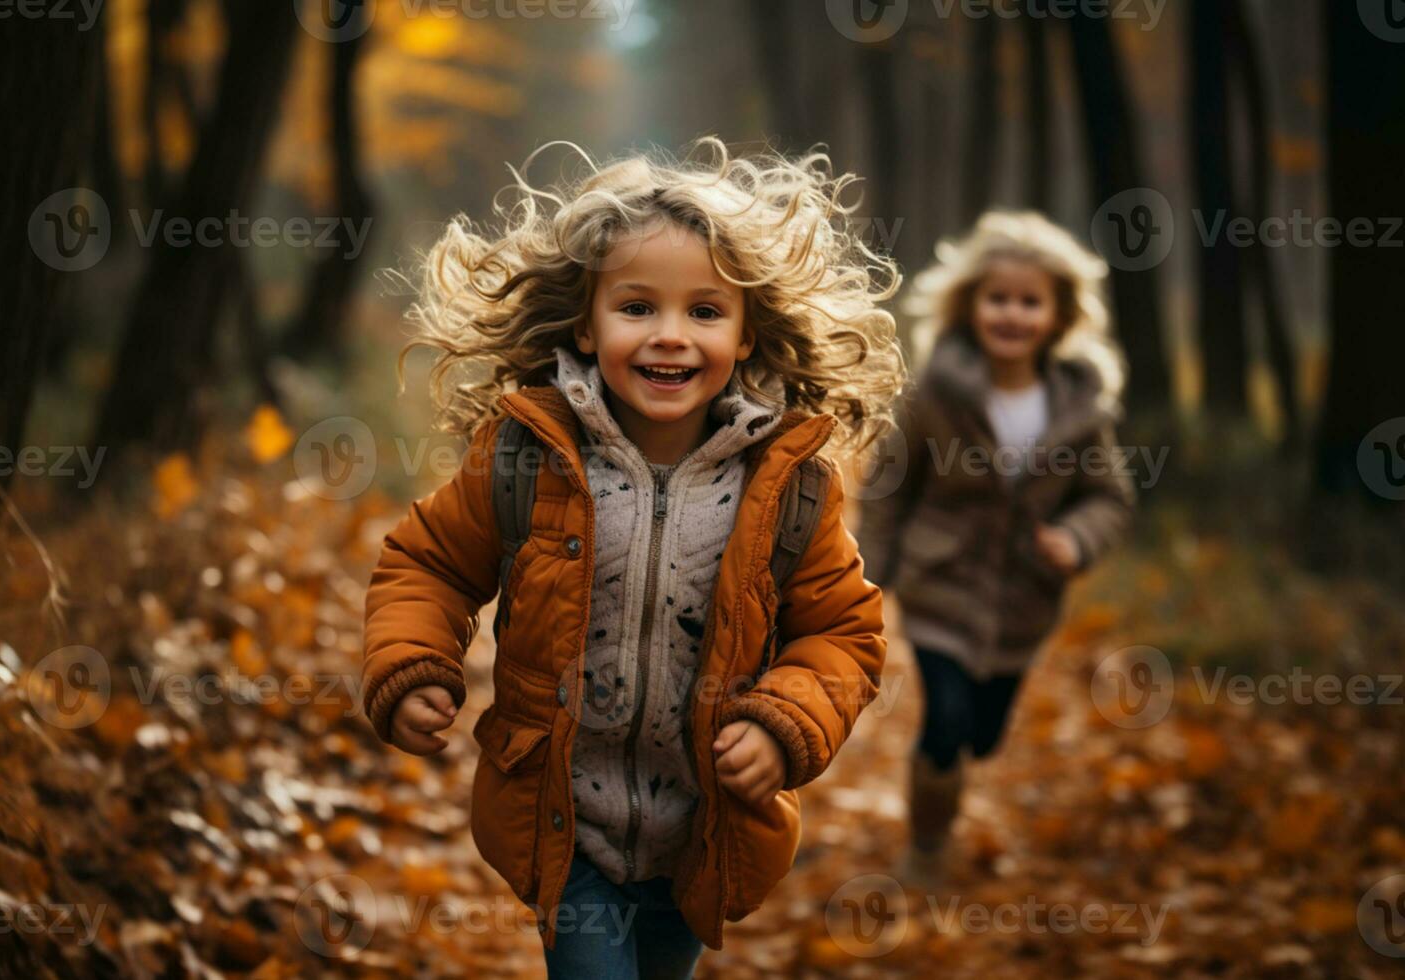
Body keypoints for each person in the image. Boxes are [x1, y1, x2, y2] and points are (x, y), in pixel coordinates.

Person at [360, 137, 904, 978]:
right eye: (638, 307)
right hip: (563, 819)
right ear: (588, 320)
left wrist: (785, 720)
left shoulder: (788, 486)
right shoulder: (527, 457)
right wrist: (412, 665)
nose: (671, 337)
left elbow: (843, 632)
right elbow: (425, 565)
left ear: (748, 331)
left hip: (705, 829)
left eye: (705, 311)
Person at [856, 211, 1137, 884]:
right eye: (998, 298)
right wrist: (870, 573)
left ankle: (953, 773)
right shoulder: (935, 395)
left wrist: (1075, 538)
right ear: (970, 304)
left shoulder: (1081, 409)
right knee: (946, 720)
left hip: (1023, 600)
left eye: (1029, 301)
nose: (1012, 314)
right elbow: (890, 484)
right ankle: (926, 845)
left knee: (983, 734)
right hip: (939, 585)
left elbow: (1110, 497)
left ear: (1059, 314)